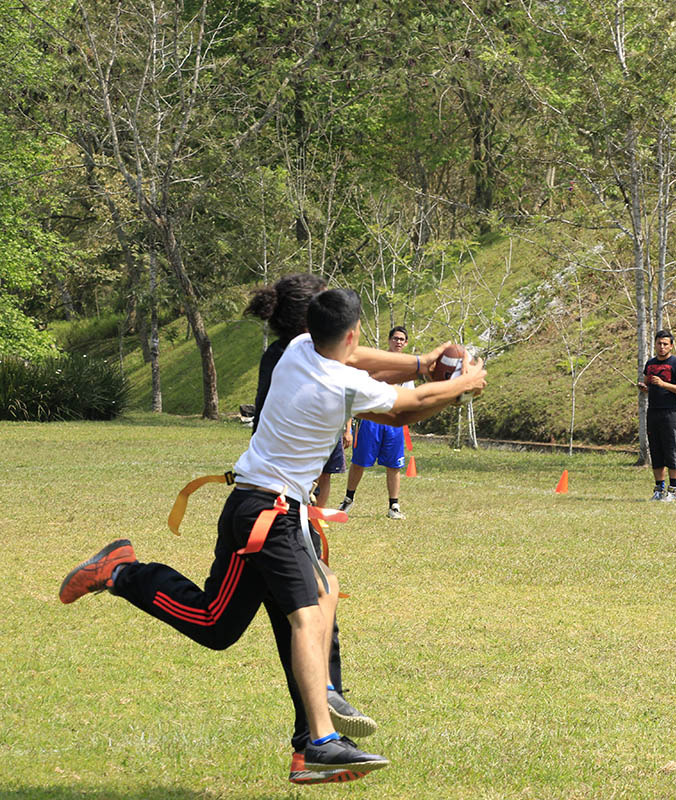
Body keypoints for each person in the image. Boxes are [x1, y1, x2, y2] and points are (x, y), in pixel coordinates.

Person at [59, 288, 486, 780]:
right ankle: (320, 740)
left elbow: (367, 362)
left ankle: (313, 731)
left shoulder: (296, 350)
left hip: (273, 508)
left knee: (316, 598)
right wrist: (461, 383)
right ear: (350, 334)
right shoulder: (337, 382)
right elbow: (407, 409)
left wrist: (419, 360)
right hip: (267, 513)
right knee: (291, 616)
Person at [247, 273, 350, 511]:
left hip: (272, 485)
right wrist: (421, 367)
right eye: (326, 305)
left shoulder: (284, 351)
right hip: (276, 492)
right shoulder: (298, 355)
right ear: (308, 318)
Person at [340, 326, 414, 520]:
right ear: (389, 340)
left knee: (394, 465)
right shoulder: (378, 363)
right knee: (359, 461)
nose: (398, 342)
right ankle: (348, 499)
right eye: (395, 338)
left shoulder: (408, 366)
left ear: (406, 343)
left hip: (394, 422)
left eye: (402, 339)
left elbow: (410, 396)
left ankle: (394, 506)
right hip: (371, 419)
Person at [638, 330, 676, 502]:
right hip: (653, 412)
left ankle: (673, 491)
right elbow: (647, 384)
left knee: (671, 451)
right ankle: (659, 490)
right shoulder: (650, 364)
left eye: (665, 344)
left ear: (671, 345)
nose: (662, 347)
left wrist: (664, 384)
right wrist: (644, 388)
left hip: (671, 413)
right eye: (659, 343)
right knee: (656, 451)